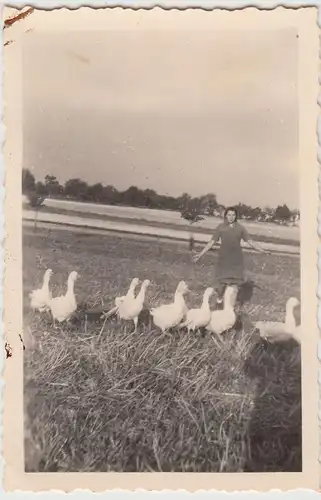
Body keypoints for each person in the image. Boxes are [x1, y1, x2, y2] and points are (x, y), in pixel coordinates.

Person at [192, 207, 270, 303]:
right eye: (229, 215)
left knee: (234, 284)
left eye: (233, 215)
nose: (231, 217)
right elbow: (212, 242)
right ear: (225, 216)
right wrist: (200, 254)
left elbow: (250, 241)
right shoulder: (221, 227)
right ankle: (220, 298)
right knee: (221, 283)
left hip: (236, 259)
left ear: (236, 216)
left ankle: (229, 307)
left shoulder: (240, 228)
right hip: (224, 258)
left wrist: (262, 250)